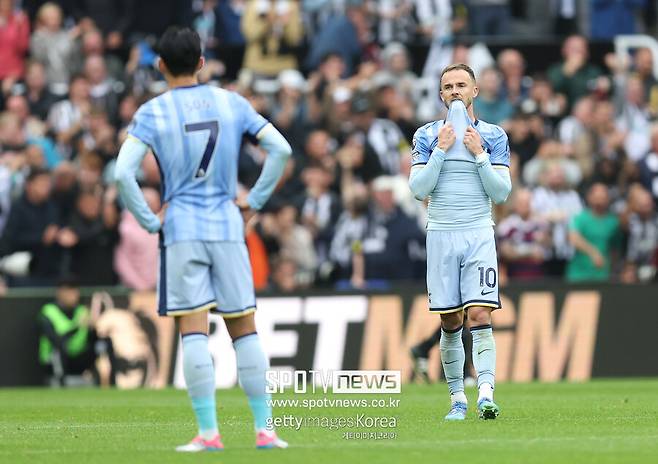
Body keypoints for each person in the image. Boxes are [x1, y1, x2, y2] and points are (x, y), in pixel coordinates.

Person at [114, 27, 291, 451]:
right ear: (201, 62)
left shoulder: (152, 112)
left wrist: (150, 220)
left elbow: (122, 173)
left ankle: (209, 433)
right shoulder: (231, 102)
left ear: (160, 66)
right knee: (244, 329)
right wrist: (255, 203)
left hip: (182, 230)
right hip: (228, 225)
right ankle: (265, 430)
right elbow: (281, 150)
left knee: (193, 330)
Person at [408, 63, 512, 421]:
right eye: (448, 86)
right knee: (450, 320)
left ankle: (484, 393)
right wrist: (441, 150)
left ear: (475, 91)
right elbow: (418, 190)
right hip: (440, 233)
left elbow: (501, 192)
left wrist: (480, 154)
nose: (454, 91)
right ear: (441, 95)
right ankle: (456, 399)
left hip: (479, 232)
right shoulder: (426, 135)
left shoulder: (493, 135)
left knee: (480, 313)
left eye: (461, 85)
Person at [38, 275, 114, 385]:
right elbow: (57, 341)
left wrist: (93, 329)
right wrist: (77, 327)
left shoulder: (82, 310)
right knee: (58, 353)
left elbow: (91, 340)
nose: (74, 295)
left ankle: (110, 383)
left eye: (75, 291)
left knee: (104, 343)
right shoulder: (48, 312)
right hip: (54, 360)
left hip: (78, 357)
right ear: (60, 293)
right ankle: (61, 385)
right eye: (69, 291)